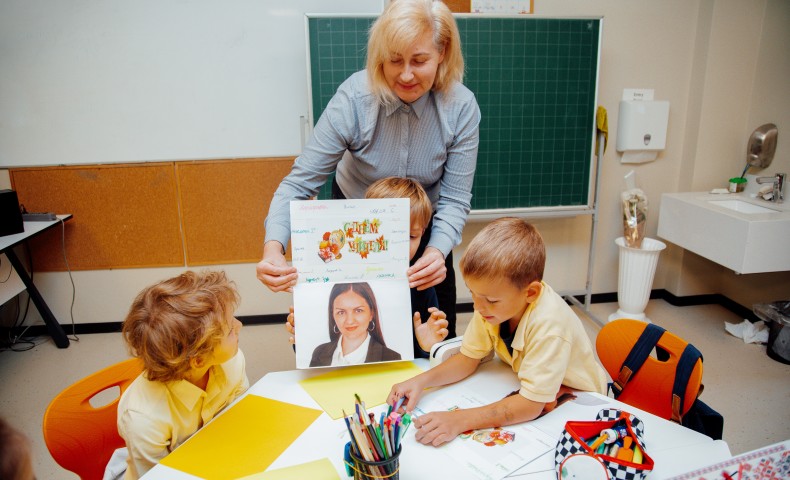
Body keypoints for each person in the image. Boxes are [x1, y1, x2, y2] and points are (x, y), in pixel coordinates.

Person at [257, 0, 481, 341]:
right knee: (348, 329)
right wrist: (274, 249)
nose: (405, 74)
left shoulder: (461, 108)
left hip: (422, 233)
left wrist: (435, 252)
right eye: (394, 60)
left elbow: (454, 199)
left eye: (419, 61)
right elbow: (300, 185)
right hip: (351, 230)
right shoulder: (354, 99)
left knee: (435, 339)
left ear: (442, 52)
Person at [386, 218, 608, 447]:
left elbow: (531, 405)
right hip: (533, 388)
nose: (479, 307)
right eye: (473, 293)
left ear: (530, 293)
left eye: (491, 299)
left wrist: (458, 419)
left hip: (582, 405)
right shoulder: (492, 307)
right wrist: (421, 381)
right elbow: (467, 358)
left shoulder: (550, 325)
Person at [286, 177, 450, 358]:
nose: (401, 244)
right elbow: (310, 355)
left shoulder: (422, 284)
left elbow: (424, 357)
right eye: (387, 234)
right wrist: (301, 337)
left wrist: (427, 346)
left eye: (411, 236)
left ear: (423, 233)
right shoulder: (337, 274)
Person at [110, 270, 249, 480]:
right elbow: (157, 476)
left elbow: (240, 422)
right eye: (230, 329)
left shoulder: (231, 362)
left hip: (216, 459)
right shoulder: (144, 420)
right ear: (199, 360)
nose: (239, 326)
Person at [311, 282, 401, 367]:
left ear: (371, 314)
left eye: (358, 311)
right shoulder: (319, 352)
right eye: (341, 312)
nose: (349, 321)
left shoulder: (391, 358)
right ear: (333, 315)